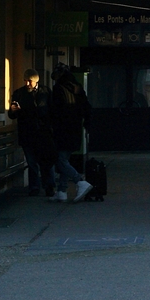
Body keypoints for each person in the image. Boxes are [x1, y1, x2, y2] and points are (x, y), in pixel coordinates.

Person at [8, 69, 55, 196]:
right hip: (28, 132)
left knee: (45, 161)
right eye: (26, 80)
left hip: (42, 132)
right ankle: (35, 187)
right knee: (32, 162)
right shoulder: (19, 93)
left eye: (30, 81)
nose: (28, 83)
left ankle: (48, 185)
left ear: (36, 81)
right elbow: (12, 115)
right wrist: (13, 110)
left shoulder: (45, 92)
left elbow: (52, 111)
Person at [49, 66, 93, 202]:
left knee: (59, 160)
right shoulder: (78, 88)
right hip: (76, 129)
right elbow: (87, 108)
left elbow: (54, 112)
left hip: (62, 130)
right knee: (64, 159)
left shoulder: (58, 89)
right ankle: (62, 191)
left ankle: (79, 181)